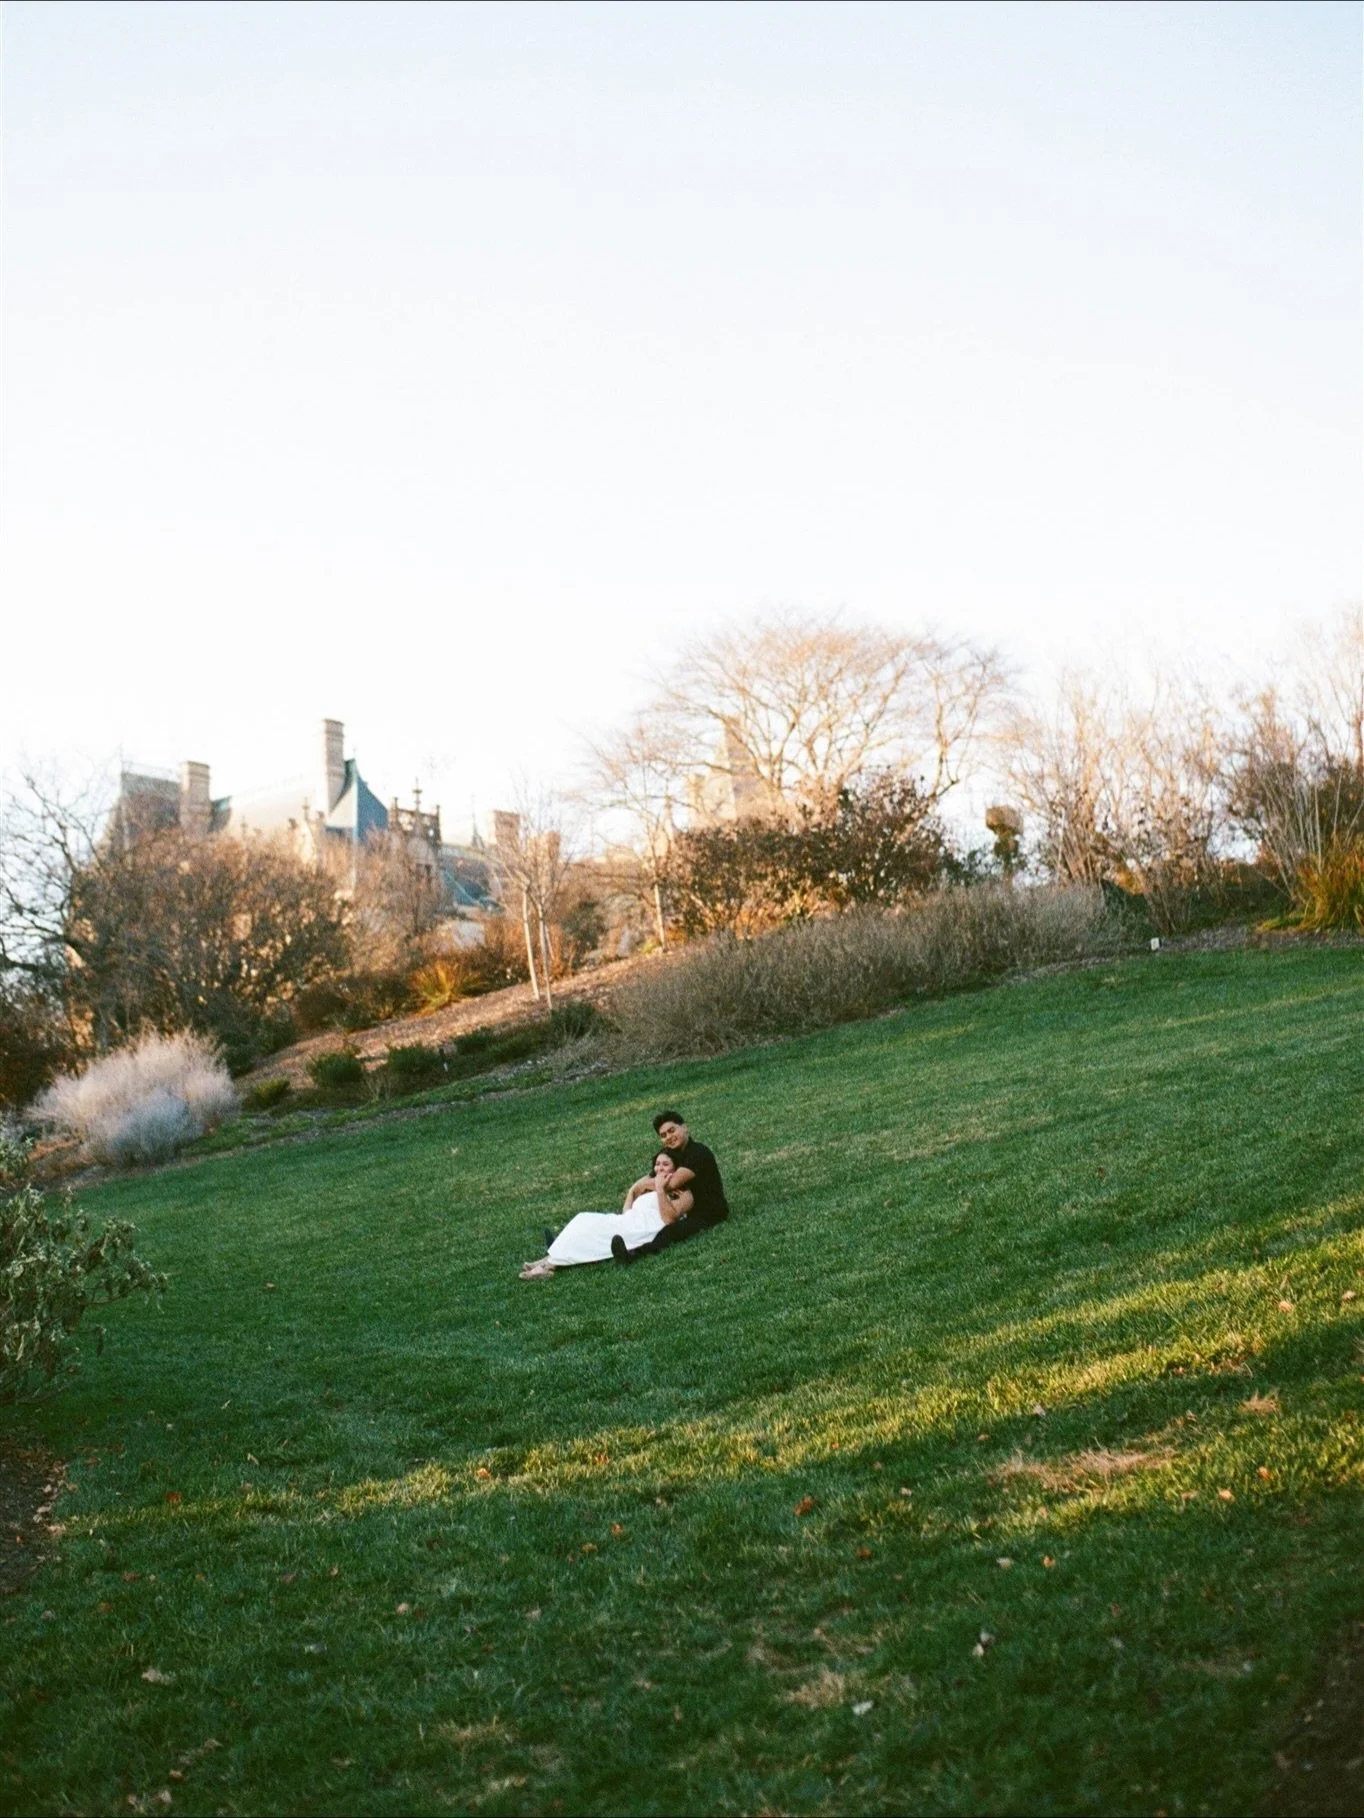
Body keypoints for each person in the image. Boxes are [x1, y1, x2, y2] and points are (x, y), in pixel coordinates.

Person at [517, 1151, 690, 1280]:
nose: (660, 1168)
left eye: (665, 1164)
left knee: (591, 1230)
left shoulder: (682, 1193)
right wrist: (633, 1190)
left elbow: (670, 1220)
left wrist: (661, 1189)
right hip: (628, 1221)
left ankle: (548, 1266)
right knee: (583, 1219)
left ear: (675, 1168)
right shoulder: (648, 1185)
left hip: (644, 1229)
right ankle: (548, 1258)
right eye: (657, 1164)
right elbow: (627, 1211)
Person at [610, 1110, 728, 1265]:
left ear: (685, 1128)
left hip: (707, 1212)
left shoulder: (698, 1153)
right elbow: (652, 1177)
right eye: (663, 1135)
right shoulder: (671, 1153)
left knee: (670, 1232)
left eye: (672, 1131)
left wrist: (645, 1185)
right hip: (682, 1208)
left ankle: (634, 1256)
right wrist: (636, 1189)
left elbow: (671, 1183)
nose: (669, 1137)